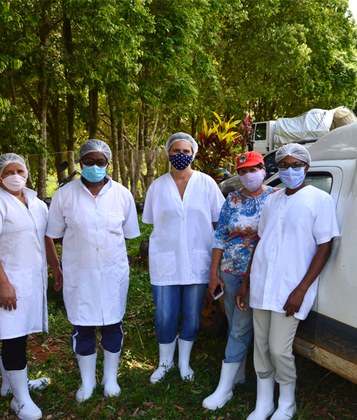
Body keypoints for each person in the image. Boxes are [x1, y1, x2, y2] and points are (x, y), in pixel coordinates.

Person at [237, 143, 339, 420]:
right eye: (284, 165)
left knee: (279, 349)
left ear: (306, 167)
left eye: (296, 165)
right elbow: (261, 240)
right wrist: (246, 282)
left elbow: (325, 246)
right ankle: (264, 402)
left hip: (290, 288)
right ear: (277, 169)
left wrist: (302, 289)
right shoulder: (272, 199)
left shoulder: (319, 200)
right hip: (261, 283)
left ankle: (286, 403)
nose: (290, 170)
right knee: (260, 345)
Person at [46, 139, 140, 402]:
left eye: (101, 162)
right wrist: (56, 268)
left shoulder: (122, 194)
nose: (95, 167)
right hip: (80, 274)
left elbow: (130, 233)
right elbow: (52, 234)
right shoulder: (64, 196)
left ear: (108, 164)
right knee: (82, 327)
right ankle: (87, 383)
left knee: (113, 324)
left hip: (113, 272)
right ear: (80, 162)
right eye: (89, 161)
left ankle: (110, 379)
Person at [143, 132, 224, 384]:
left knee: (192, 314)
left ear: (194, 154)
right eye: (176, 151)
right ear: (168, 153)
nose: (180, 155)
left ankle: (184, 362)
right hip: (165, 261)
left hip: (198, 261)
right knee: (164, 315)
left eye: (186, 151)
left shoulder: (207, 183)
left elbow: (217, 223)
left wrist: (216, 263)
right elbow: (152, 221)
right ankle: (165, 362)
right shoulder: (157, 186)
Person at [202, 151, 278, 410]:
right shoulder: (232, 199)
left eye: (252, 169)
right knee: (237, 324)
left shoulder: (275, 197)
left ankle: (226, 389)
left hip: (261, 274)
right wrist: (214, 274)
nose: (248, 176)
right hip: (230, 272)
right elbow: (219, 236)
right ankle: (240, 375)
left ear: (263, 169)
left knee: (241, 329)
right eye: (243, 171)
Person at [0, 153, 63, 419]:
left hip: (31, 281)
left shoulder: (36, 203)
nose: (16, 176)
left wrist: (56, 267)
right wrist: (3, 283)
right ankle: (20, 400)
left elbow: (46, 238)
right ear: (0, 176)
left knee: (19, 332)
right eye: (9, 171)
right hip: (8, 280)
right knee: (12, 336)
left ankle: (11, 384)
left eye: (20, 170)